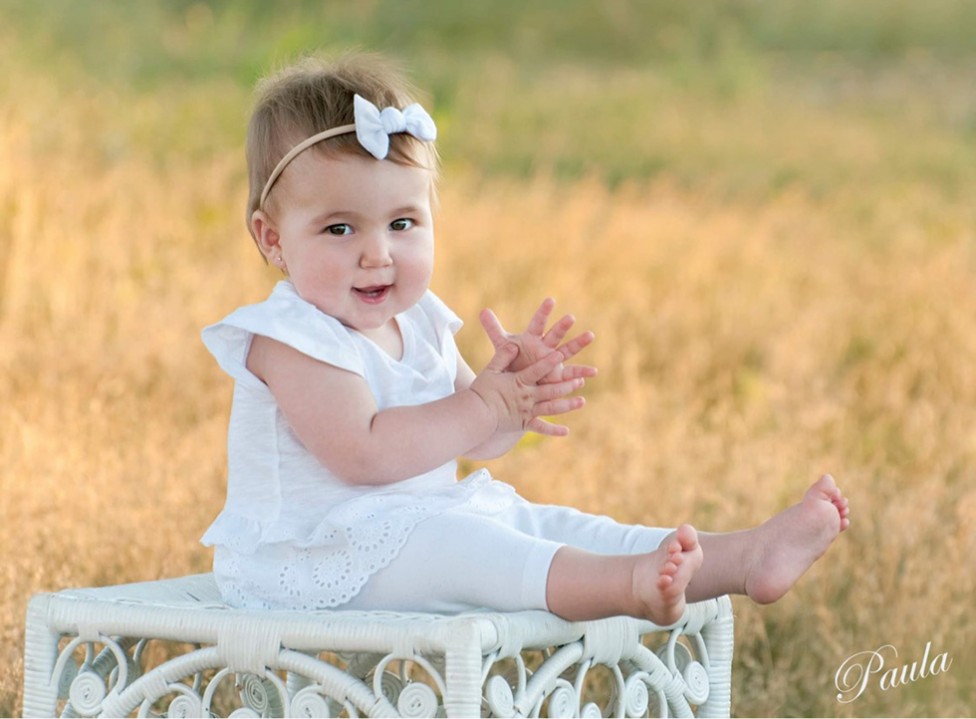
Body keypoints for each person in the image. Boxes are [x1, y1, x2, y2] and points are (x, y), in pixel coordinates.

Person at [201, 52, 850, 624]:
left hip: (416, 535)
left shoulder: (421, 317)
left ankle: (743, 557)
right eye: (340, 229)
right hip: (316, 565)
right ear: (272, 238)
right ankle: (629, 586)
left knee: (542, 524)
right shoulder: (290, 337)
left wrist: (509, 396)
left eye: (402, 223)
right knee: (480, 549)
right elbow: (364, 453)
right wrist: (481, 403)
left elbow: (477, 438)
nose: (378, 255)